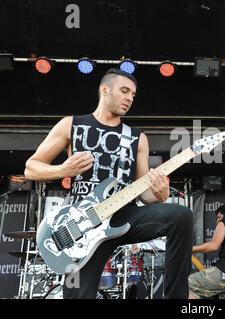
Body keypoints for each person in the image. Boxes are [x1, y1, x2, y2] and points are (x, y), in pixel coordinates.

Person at [24, 68, 193, 299]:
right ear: (104, 90)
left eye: (133, 94)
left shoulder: (137, 138)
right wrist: (62, 170)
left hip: (125, 217)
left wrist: (160, 193)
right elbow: (31, 167)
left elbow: (145, 195)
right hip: (83, 226)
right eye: (124, 91)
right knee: (77, 295)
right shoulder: (71, 125)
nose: (129, 98)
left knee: (181, 216)